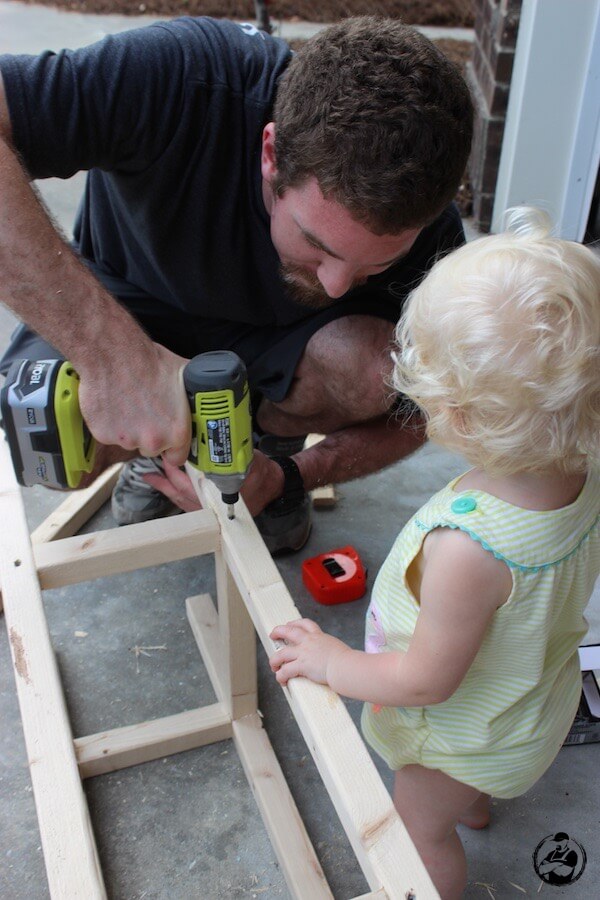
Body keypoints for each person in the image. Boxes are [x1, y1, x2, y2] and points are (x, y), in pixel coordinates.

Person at [0, 16, 473, 552]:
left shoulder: (433, 230)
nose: (339, 286)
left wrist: (291, 474)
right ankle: (155, 450)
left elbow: (428, 409)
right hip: (131, 300)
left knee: (383, 373)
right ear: (271, 154)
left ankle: (266, 444)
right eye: (318, 245)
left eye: (373, 266)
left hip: (284, 344)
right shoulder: (183, 80)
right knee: (45, 428)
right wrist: (112, 359)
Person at [268, 207, 600, 898]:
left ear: (460, 416)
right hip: (530, 705)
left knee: (419, 829)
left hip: (462, 733)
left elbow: (425, 683)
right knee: (458, 791)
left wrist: (335, 662)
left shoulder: (469, 549)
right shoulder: (581, 471)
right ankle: (471, 800)